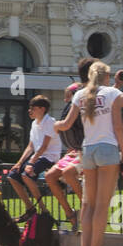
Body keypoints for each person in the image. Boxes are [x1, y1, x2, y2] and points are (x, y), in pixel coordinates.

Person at [55, 62, 123, 246]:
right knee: (102, 205)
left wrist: (56, 126)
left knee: (88, 204)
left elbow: (65, 124)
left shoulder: (80, 95)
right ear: (107, 76)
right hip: (107, 149)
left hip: (88, 150)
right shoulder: (111, 93)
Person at [5, 95, 60, 222]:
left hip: (49, 157)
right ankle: (30, 209)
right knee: (12, 176)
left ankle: (44, 210)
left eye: (33, 108)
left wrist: (31, 162)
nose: (30, 111)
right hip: (38, 156)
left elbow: (44, 147)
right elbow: (31, 146)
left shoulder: (50, 122)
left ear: (42, 109)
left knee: (26, 175)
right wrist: (19, 163)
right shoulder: (34, 124)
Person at [45, 82, 85, 228]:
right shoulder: (71, 109)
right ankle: (70, 213)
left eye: (67, 97)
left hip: (85, 150)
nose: (64, 100)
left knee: (68, 174)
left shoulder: (83, 107)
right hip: (73, 151)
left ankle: (86, 208)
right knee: (50, 176)